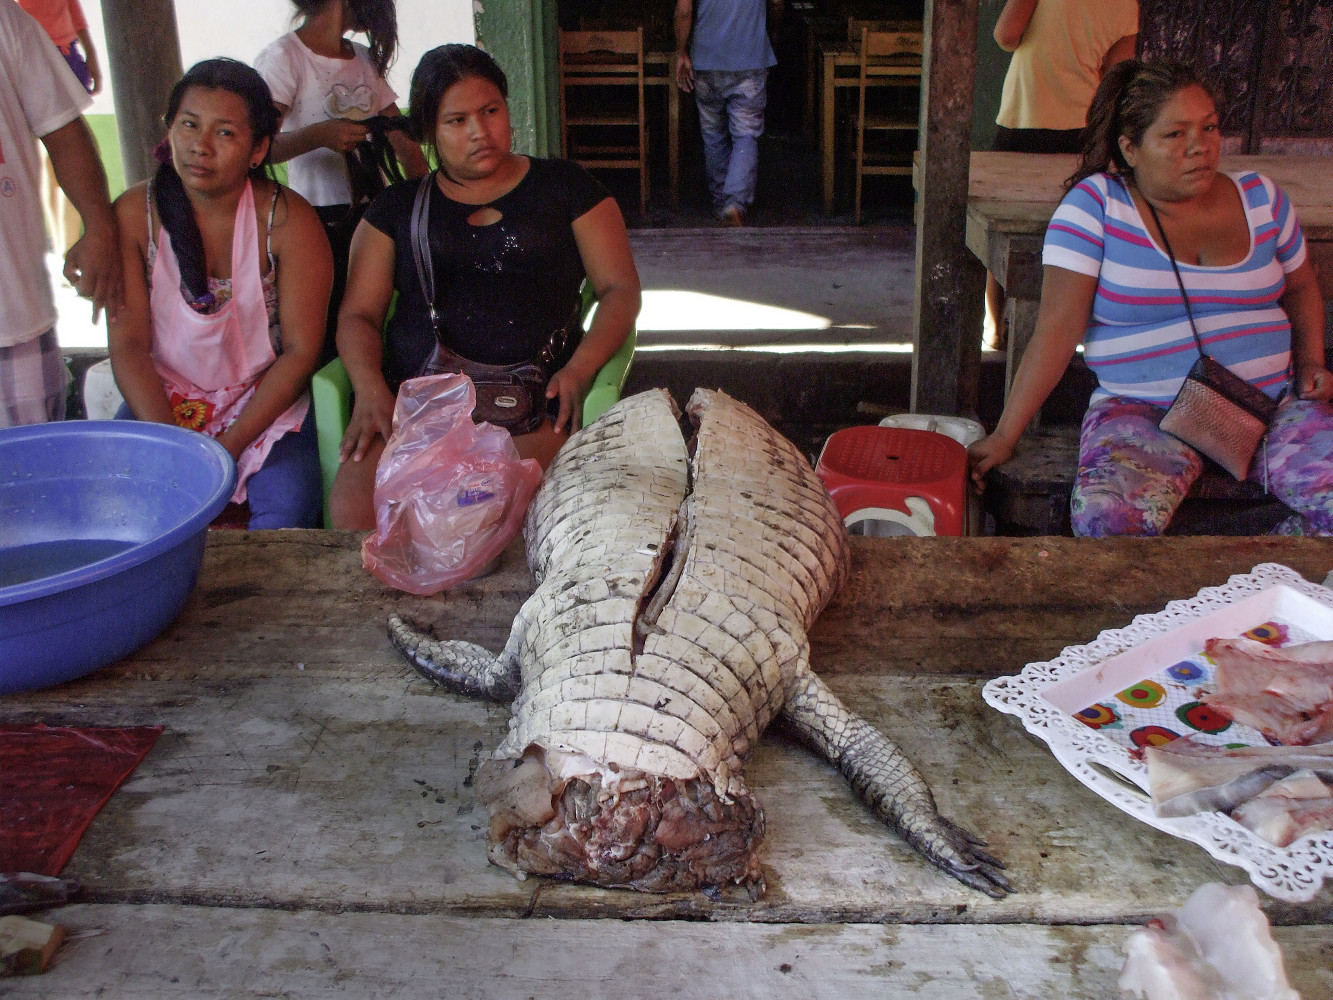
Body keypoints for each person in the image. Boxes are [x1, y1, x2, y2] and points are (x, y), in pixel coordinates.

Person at [968, 60, 1333, 537]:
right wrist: (1005, 434)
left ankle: (1259, 575)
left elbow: (1302, 287)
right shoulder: (1097, 207)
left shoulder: (1261, 199)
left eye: (1209, 127)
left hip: (1271, 405)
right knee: (1108, 522)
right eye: (1175, 134)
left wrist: (1311, 362)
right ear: (1130, 148)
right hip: (1143, 413)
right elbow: (1056, 331)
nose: (1200, 146)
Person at [328, 43, 640, 530]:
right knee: (354, 514)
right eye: (457, 121)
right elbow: (358, 315)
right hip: (417, 411)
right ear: (429, 131)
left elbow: (620, 289)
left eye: (491, 111)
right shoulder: (396, 210)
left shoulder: (569, 189)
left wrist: (580, 369)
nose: (479, 131)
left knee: (491, 520)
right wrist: (369, 389)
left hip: (534, 408)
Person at [107, 58, 332, 529]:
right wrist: (177, 448)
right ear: (169, 129)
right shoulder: (134, 215)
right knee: (123, 510)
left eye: (225, 132)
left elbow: (300, 352)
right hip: (162, 403)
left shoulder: (287, 222)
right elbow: (128, 344)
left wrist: (226, 448)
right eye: (189, 125)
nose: (200, 146)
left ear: (258, 149)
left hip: (263, 404)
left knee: (286, 511)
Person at [254, 0, 428, 363]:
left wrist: (431, 198)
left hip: (371, 217)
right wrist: (317, 136)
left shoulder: (362, 58)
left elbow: (402, 142)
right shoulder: (285, 57)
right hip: (315, 221)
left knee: (372, 317)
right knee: (327, 325)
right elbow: (257, 146)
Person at [986, 0, 1138, 349]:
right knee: (1073, 228)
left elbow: (1006, 36)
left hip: (1025, 116)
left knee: (1001, 221)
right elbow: (1115, 74)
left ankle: (995, 326)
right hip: (1083, 128)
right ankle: (1062, 326)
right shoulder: (1128, 3)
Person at [0, 0, 120, 427]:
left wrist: (101, 229)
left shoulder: (5, 21)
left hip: (11, 315)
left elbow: (64, 132)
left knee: (32, 461)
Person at [673, 0, 781, 226]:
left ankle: (721, 203)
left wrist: (681, 52)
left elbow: (684, 10)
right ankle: (735, 203)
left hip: (706, 58)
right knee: (746, 133)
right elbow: (777, 3)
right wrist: (772, 30)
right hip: (751, 57)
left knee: (713, 134)